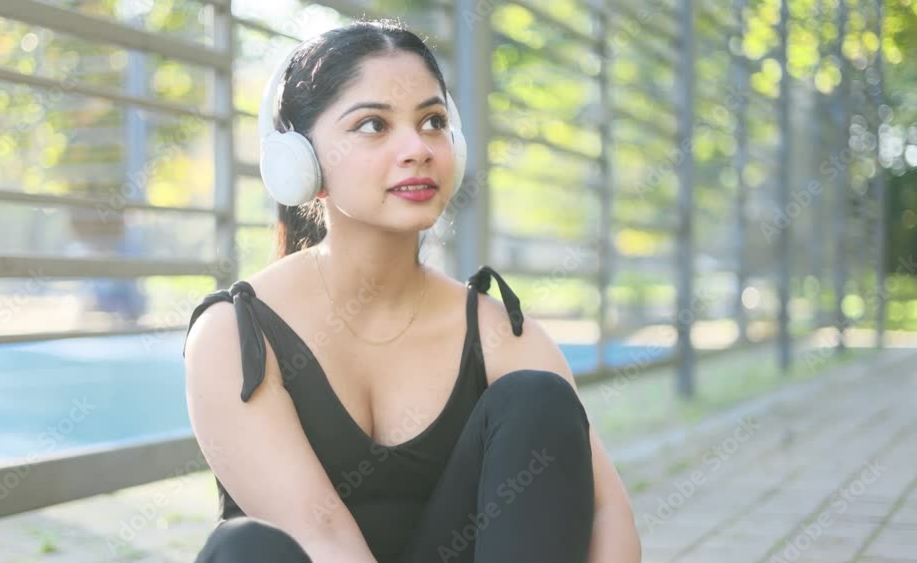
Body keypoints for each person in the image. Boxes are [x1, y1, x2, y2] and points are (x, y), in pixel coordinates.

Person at [182, 18, 640, 563]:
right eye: (374, 125)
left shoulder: (500, 334)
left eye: (433, 121)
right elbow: (321, 535)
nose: (417, 148)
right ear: (299, 161)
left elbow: (608, 516)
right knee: (246, 549)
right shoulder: (236, 336)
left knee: (537, 398)